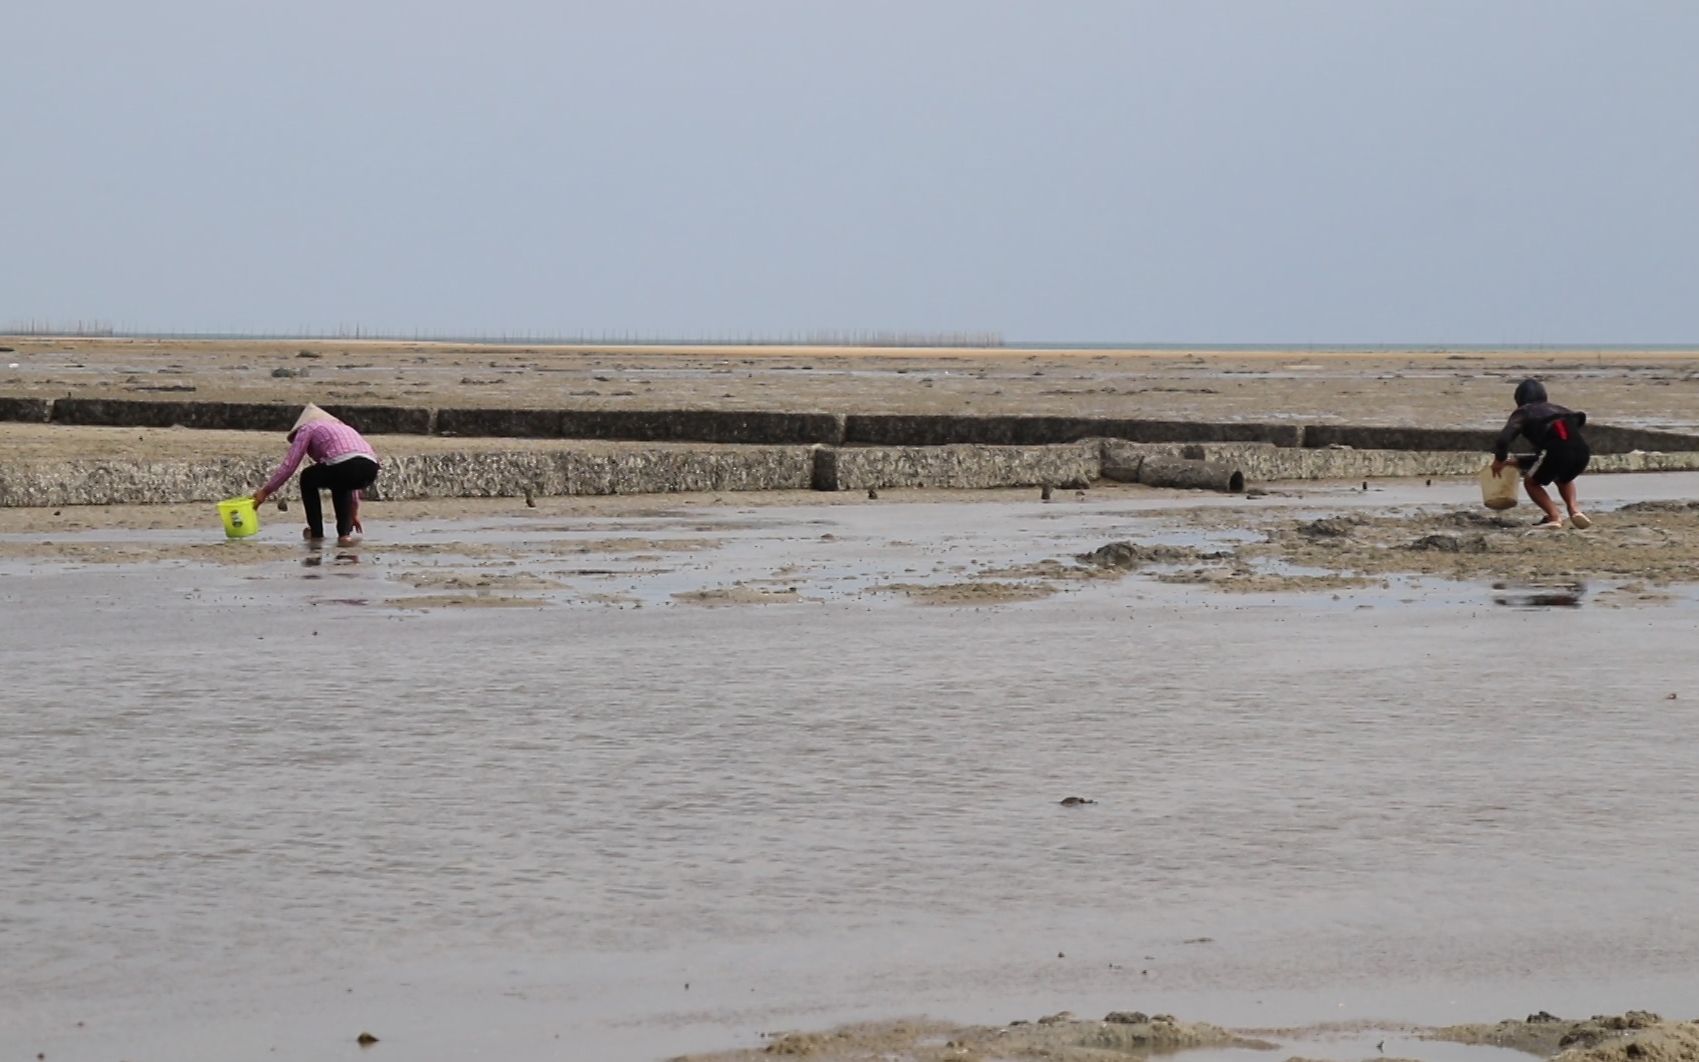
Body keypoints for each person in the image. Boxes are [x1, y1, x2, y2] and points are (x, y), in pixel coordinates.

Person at [252, 404, 381, 546]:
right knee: (341, 483)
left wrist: (265, 491)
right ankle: (344, 535)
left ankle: (316, 532)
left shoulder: (308, 428)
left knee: (307, 478)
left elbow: (290, 465)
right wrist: (354, 512)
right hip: (370, 468)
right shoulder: (344, 428)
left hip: (345, 466)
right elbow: (352, 472)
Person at [1490, 378, 1591, 530]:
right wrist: (1518, 461)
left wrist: (1499, 460)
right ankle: (1574, 510)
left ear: (1519, 399)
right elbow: (1557, 446)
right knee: (1564, 478)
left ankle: (1554, 516)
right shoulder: (1562, 410)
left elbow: (1503, 440)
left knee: (1531, 482)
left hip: (1556, 450)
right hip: (1582, 451)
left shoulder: (1524, 412)